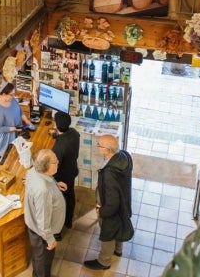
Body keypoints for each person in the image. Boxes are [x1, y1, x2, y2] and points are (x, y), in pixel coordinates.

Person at [83, 134, 134, 271]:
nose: (97, 147)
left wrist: (102, 211)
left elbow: (112, 202)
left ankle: (104, 261)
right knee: (119, 226)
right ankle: (118, 249)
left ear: (107, 150)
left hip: (110, 209)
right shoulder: (125, 155)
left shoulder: (109, 173)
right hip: (125, 204)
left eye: (99, 145)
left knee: (108, 233)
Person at [24, 149, 67, 277]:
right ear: (47, 166)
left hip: (37, 228)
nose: (58, 162)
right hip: (42, 234)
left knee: (38, 256)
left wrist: (55, 185)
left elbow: (42, 180)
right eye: (55, 162)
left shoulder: (33, 171)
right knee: (43, 261)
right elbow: (43, 221)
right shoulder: (43, 191)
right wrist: (50, 240)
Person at [51, 111, 79, 241]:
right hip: (72, 171)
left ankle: (57, 231)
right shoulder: (74, 133)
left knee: (59, 203)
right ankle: (69, 221)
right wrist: (57, 137)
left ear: (56, 125)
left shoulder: (59, 148)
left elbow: (54, 166)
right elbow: (65, 139)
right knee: (70, 195)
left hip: (61, 177)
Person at [0, 83, 32, 161]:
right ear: (3, 94)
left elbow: (19, 110)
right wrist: (13, 129)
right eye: (11, 94)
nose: (13, 96)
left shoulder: (11, 99)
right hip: (3, 139)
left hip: (15, 131)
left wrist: (26, 120)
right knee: (3, 159)